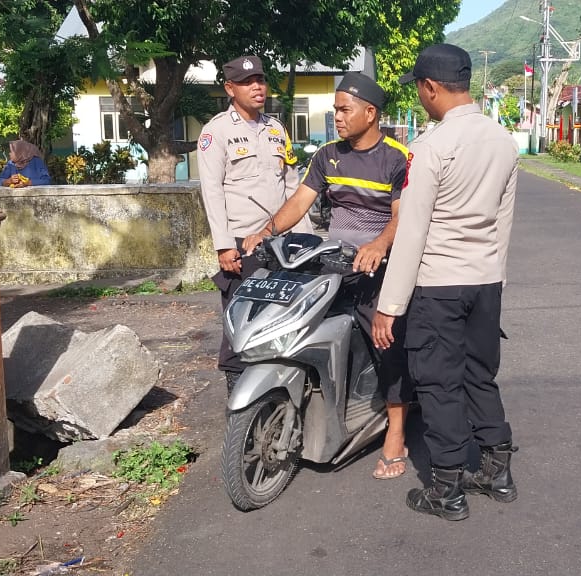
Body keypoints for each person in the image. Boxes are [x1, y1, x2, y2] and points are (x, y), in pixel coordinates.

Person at [241, 72, 413, 481]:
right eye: (335, 109)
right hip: (334, 262)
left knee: (387, 343)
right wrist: (266, 233)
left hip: (379, 268)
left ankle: (396, 434)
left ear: (370, 113)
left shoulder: (397, 158)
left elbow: (401, 216)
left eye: (344, 109)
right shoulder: (326, 155)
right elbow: (300, 201)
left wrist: (379, 246)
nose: (336, 116)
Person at [372, 43, 519, 521]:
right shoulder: (503, 141)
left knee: (438, 384)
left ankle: (447, 488)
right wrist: (495, 281)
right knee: (480, 374)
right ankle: (497, 471)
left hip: (439, 285)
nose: (419, 96)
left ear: (430, 87)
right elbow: (503, 222)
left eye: (418, 89)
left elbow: (412, 233)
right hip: (485, 280)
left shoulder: (430, 147)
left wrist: (389, 305)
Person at [198, 54, 311, 392]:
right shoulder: (216, 132)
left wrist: (305, 239)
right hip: (240, 243)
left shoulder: (276, 129)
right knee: (239, 320)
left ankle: (277, 389)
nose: (257, 87)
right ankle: (237, 390)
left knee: (280, 316)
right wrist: (223, 246)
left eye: (260, 80)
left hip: (280, 242)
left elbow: (292, 186)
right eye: (247, 82)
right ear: (230, 88)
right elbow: (212, 191)